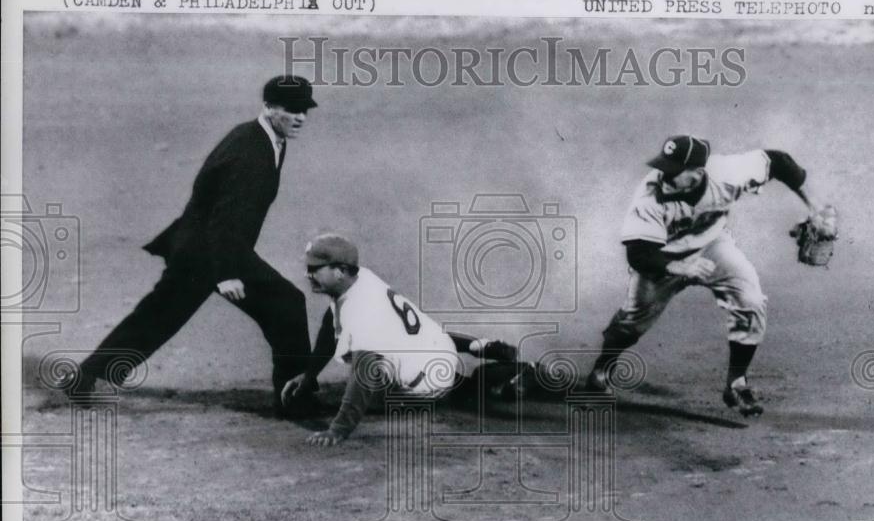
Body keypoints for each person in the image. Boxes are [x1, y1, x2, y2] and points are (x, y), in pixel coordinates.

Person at [68, 75, 319, 417]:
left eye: (305, 110)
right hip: (210, 251)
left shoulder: (264, 136)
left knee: (160, 314)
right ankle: (296, 399)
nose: (300, 117)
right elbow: (223, 216)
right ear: (269, 107)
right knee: (286, 305)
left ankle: (87, 377)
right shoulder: (252, 152)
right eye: (292, 110)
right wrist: (227, 273)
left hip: (207, 246)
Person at [582, 135, 824, 416]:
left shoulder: (728, 173)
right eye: (664, 166)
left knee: (751, 300)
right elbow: (638, 254)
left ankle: (737, 383)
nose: (664, 174)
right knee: (632, 320)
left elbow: (780, 162)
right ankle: (601, 370)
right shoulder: (649, 197)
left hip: (711, 244)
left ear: (698, 173)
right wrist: (678, 267)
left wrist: (816, 207)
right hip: (662, 256)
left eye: (674, 170)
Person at [281, 234, 522, 446]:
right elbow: (330, 325)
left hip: (430, 379)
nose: (307, 274)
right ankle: (478, 348)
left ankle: (489, 385)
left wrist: (338, 429)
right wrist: (310, 374)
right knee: (398, 336)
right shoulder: (359, 278)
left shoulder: (361, 310)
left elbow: (363, 373)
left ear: (340, 270)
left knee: (378, 391)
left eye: (315, 268)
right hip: (435, 342)